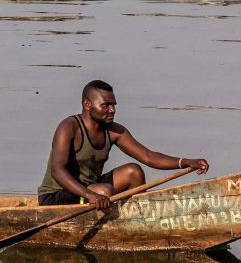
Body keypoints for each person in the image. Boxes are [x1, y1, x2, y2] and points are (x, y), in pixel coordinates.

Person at [37, 80, 208, 208]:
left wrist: (186, 162)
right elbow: (57, 170)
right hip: (57, 197)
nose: (112, 110)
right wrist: (90, 195)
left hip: (93, 190)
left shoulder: (114, 131)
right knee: (103, 191)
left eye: (113, 105)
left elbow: (148, 157)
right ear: (87, 104)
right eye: (105, 105)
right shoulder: (68, 127)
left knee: (133, 172)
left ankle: (138, 217)